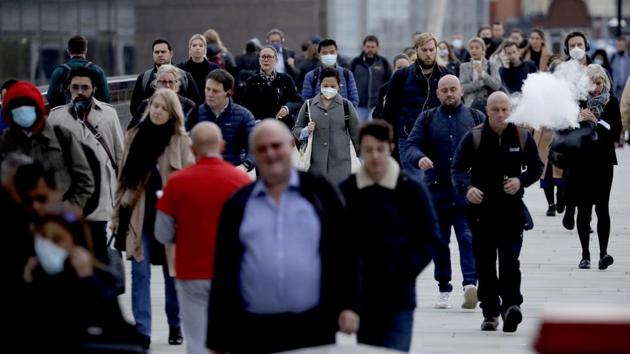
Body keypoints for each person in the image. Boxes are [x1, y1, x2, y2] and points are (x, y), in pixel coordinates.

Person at [206, 119, 359, 354]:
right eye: (262, 149)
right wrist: (216, 337)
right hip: (252, 329)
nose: (270, 154)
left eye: (276, 146)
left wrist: (349, 305)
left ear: (291, 145)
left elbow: (345, 250)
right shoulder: (238, 205)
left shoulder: (320, 191)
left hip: (313, 327)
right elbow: (223, 270)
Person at [340, 120, 441, 352]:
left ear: (391, 148)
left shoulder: (410, 189)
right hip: (362, 298)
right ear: (360, 150)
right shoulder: (348, 190)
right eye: (368, 150)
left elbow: (429, 237)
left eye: (380, 149)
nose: (374, 156)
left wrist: (405, 270)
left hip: (400, 296)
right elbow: (337, 242)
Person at [155, 122, 251, 354]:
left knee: (198, 341)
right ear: (222, 145)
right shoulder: (242, 182)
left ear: (191, 149)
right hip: (231, 273)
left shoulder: (177, 183)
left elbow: (162, 233)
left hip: (191, 273)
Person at [452, 92, 543, 333]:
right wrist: (468, 188)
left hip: (511, 210)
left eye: (505, 110)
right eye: (496, 110)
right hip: (481, 211)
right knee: (485, 263)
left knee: (510, 261)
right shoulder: (475, 137)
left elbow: (537, 167)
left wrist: (520, 181)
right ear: (488, 111)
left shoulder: (522, 136)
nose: (501, 114)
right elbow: (458, 168)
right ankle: (490, 311)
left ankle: (512, 307)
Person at [112, 89, 195, 349]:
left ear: (172, 113)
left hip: (170, 219)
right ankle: (143, 330)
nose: (156, 111)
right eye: (154, 106)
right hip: (140, 215)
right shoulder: (135, 136)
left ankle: (175, 324)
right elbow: (123, 181)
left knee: (172, 275)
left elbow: (190, 183)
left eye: (162, 107)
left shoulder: (180, 140)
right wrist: (115, 216)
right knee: (140, 273)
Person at [403, 75, 484, 309]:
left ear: (461, 92)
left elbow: (488, 147)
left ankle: (470, 284)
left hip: (465, 193)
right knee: (439, 242)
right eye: (445, 90)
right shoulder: (428, 118)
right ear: (438, 93)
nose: (449, 94)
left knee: (468, 239)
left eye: (453, 89)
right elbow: (411, 145)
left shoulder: (475, 117)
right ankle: (443, 287)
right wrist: (420, 158)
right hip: (436, 192)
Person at [23, 202, 143, 353]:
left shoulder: (97, 277)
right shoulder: (34, 276)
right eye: (43, 238)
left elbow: (121, 331)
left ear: (75, 241)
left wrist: (89, 280)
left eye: (57, 239)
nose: (49, 246)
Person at [48, 67, 125, 265]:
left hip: (100, 198)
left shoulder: (109, 115)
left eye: (85, 87)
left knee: (98, 255)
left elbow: (120, 156)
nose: (80, 92)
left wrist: (121, 201)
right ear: (68, 89)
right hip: (68, 198)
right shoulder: (56, 117)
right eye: (75, 87)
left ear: (94, 89)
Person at [562, 64, 622, 270]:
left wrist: (596, 121)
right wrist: (578, 119)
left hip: (604, 161)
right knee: (584, 209)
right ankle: (585, 254)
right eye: (592, 83)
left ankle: (604, 253)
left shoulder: (611, 102)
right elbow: (567, 130)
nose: (596, 88)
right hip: (581, 162)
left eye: (600, 83)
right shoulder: (578, 101)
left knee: (602, 208)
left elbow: (616, 133)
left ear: (605, 82)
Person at [0, 81, 94, 211]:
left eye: (28, 107)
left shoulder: (61, 137)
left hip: (56, 219)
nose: (22, 112)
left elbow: (85, 180)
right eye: (17, 108)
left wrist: (68, 213)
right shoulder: (5, 143)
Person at [383, 32, 451, 174]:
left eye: (431, 50)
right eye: (424, 50)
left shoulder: (446, 75)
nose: (428, 54)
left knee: (434, 186)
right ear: (416, 50)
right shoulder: (402, 76)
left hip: (437, 139)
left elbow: (456, 106)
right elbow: (389, 110)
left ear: (436, 50)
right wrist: (389, 140)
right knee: (417, 184)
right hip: (408, 138)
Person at [292, 67, 360, 184]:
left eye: (333, 86)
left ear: (339, 87)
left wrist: (362, 157)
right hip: (314, 164)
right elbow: (296, 129)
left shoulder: (346, 106)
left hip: (341, 164)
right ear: (320, 85)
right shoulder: (309, 104)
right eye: (325, 86)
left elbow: (357, 135)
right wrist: (306, 130)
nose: (329, 89)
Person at [185, 69, 256, 173]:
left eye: (215, 91)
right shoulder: (195, 113)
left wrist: (245, 166)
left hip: (232, 171)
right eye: (208, 89)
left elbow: (254, 146)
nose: (209, 94)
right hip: (201, 172)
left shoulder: (244, 115)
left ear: (228, 93)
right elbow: (184, 142)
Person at [129, 39, 200, 115]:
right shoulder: (144, 78)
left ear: (171, 53)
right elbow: (135, 107)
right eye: (157, 52)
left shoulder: (185, 76)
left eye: (163, 52)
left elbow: (196, 104)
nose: (160, 55)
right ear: (153, 54)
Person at [241, 45, 303, 128]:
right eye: (263, 57)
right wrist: (255, 120)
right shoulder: (251, 81)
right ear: (259, 60)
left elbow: (299, 101)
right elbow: (245, 107)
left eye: (269, 57)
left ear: (276, 60)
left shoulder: (285, 79)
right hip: (260, 127)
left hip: (282, 126)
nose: (266, 60)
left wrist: (286, 108)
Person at [46, 35, 111, 109]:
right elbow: (106, 97)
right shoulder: (97, 70)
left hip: (67, 115)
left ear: (68, 50)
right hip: (92, 115)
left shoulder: (60, 71)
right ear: (85, 50)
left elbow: (51, 97)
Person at [128, 64, 197, 130]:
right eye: (164, 82)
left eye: (170, 82)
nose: (167, 85)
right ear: (157, 83)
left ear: (176, 83)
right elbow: (131, 131)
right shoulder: (146, 105)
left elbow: (196, 130)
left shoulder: (188, 105)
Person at [301, 38, 360, 107]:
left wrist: (344, 114)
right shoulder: (311, 76)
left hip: (342, 116)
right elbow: (306, 101)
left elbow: (354, 99)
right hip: (319, 116)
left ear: (336, 53)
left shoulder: (347, 74)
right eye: (325, 53)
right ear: (319, 55)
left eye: (332, 52)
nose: (328, 55)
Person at [350, 35, 393, 122]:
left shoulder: (383, 63)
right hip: (360, 106)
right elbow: (349, 82)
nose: (370, 49)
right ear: (363, 47)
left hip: (376, 106)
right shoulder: (355, 63)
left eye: (373, 47)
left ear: (377, 48)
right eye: (368, 47)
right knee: (359, 132)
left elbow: (389, 83)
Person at [459, 37, 502, 115]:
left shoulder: (491, 65)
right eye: (471, 48)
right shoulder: (463, 66)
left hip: (488, 104)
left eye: (477, 48)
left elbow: (497, 85)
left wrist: (482, 73)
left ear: (483, 50)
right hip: (470, 105)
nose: (474, 50)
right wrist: (480, 83)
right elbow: (462, 88)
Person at [177, 34, 220, 101]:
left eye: (200, 45)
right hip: (188, 107)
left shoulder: (214, 68)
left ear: (205, 48)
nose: (197, 48)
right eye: (194, 45)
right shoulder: (180, 68)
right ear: (190, 48)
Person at [372, 54, 410, 120]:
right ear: (394, 69)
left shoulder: (415, 86)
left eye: (406, 68)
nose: (403, 70)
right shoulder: (385, 88)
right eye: (399, 68)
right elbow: (376, 114)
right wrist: (385, 108)